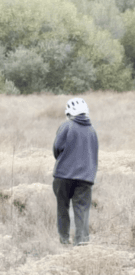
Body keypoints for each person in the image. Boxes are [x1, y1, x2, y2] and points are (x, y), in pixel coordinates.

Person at [52, 97, 98, 246]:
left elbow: (57, 148)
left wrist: (65, 161)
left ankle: (64, 240)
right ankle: (82, 241)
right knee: (82, 209)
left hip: (63, 176)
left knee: (62, 207)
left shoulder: (67, 126)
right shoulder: (92, 130)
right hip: (85, 177)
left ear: (69, 112)